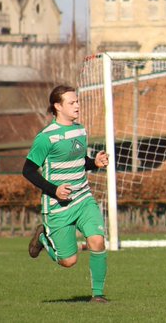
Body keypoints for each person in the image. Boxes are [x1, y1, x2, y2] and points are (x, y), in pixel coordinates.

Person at [23, 85, 110, 302]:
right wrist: (54, 190)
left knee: (97, 241)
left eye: (77, 101)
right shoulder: (46, 137)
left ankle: (98, 295)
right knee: (68, 261)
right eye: (72, 103)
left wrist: (95, 163)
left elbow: (80, 163)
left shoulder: (80, 130)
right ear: (57, 106)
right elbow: (28, 170)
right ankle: (43, 238)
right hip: (57, 206)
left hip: (82, 197)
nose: (77, 105)